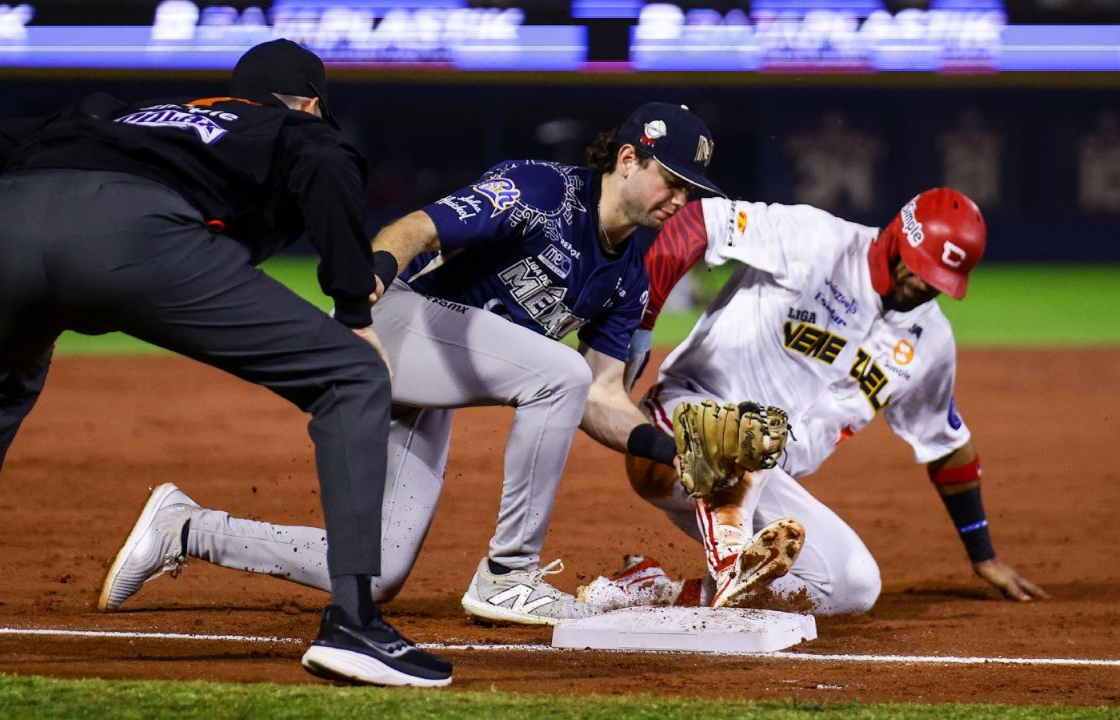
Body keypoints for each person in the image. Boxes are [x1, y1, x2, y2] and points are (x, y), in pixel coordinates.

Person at [100, 102, 768, 625]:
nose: (681, 199)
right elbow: (415, 229)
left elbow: (600, 393)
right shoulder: (540, 191)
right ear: (628, 158)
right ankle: (509, 575)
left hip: (447, 371)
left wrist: (668, 447)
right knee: (552, 373)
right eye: (672, 179)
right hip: (401, 325)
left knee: (380, 571)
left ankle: (185, 528)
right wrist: (367, 297)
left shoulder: (631, 278)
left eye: (691, 189)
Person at [0, 39, 452, 687]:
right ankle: (355, 627)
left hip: (2, 223)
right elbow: (328, 162)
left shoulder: (126, 111)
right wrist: (354, 312)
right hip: (131, 233)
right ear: (308, 103)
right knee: (350, 373)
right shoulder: (289, 124)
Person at [580, 188, 1048, 615]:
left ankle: (655, 590)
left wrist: (983, 554)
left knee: (853, 587)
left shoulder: (930, 341)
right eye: (922, 268)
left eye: (940, 280)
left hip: (763, 478)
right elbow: (699, 221)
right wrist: (641, 326)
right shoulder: (817, 240)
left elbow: (946, 445)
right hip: (681, 432)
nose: (926, 285)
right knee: (749, 434)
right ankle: (731, 566)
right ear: (898, 236)